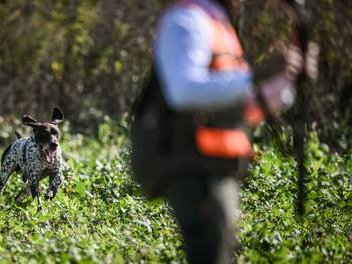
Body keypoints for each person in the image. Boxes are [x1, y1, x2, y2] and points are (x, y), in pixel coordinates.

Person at [130, 0, 318, 263]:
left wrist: (288, 79)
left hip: (217, 167)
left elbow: (247, 107)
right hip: (190, 166)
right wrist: (255, 76)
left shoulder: (219, 23)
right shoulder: (186, 20)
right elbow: (183, 91)